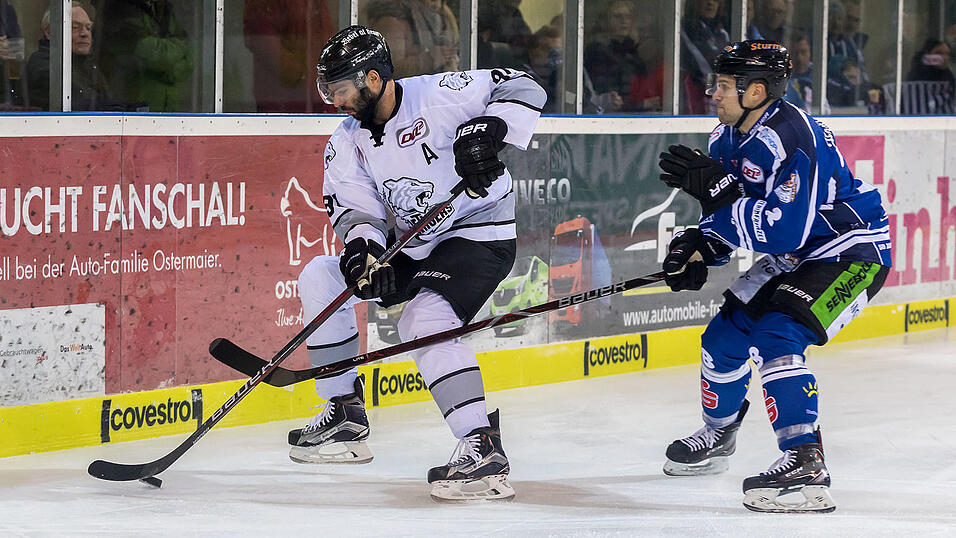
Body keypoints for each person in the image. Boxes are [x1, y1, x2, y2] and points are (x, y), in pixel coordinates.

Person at [291, 26, 545, 502]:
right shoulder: (345, 142)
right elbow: (357, 211)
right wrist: (364, 251)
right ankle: (345, 414)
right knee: (321, 276)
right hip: (412, 242)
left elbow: (524, 85)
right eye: (328, 93)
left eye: (340, 90)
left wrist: (491, 130)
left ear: (372, 79)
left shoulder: (441, 94)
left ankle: (482, 446)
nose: (336, 102)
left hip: (477, 231)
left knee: (423, 317)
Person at [656, 40, 891, 513]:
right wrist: (700, 245)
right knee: (722, 340)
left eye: (723, 86)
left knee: (777, 337)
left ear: (756, 90)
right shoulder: (726, 138)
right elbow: (738, 214)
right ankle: (720, 434)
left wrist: (719, 204)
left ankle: (806, 461)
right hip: (802, 254)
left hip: (851, 252)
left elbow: (784, 229)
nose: (713, 94)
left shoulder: (792, 136)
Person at [98, 0, 193, 112]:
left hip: (169, 109)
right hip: (133, 109)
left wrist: (172, 65)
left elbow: (189, 59)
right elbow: (150, 53)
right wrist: (175, 55)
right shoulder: (121, 8)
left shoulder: (164, 8)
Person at [243, 0, 337, 113]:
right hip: (285, 111)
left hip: (322, 107)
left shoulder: (317, 5)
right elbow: (264, 43)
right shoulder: (268, 4)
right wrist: (303, 73)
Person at [26, 2, 114, 111]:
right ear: (50, 32)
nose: (85, 33)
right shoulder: (44, 65)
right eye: (75, 27)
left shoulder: (89, 67)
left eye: (88, 28)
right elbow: (79, 107)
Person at [366, 0, 459, 78]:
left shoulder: (440, 18)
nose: (437, 5)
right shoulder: (391, 21)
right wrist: (430, 58)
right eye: (432, 0)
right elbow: (389, 70)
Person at [583, 0, 642, 113]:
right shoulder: (596, 50)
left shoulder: (633, 51)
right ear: (606, 20)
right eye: (617, 16)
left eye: (628, 17)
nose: (624, 21)